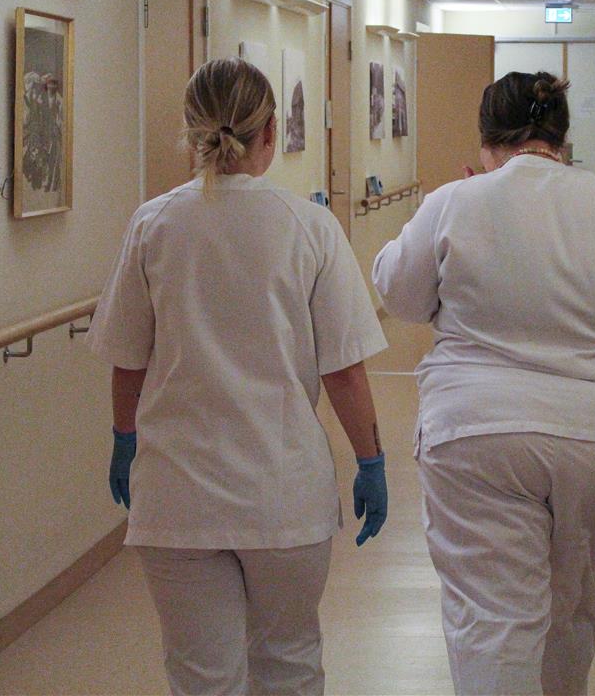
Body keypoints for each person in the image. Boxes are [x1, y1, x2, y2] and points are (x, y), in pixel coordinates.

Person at [372, 71, 595, 695]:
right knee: (571, 603)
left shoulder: (456, 201)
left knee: (494, 618)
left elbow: (399, 295)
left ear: (487, 142)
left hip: (477, 437)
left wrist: (466, 204)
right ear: (563, 139)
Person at [89, 57, 389, 696]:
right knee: (290, 663)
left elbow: (128, 359)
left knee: (201, 678)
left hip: (178, 495)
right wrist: (370, 460)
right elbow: (344, 371)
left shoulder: (153, 224)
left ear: (192, 130)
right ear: (271, 131)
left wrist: (124, 438)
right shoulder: (310, 227)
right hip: (284, 494)